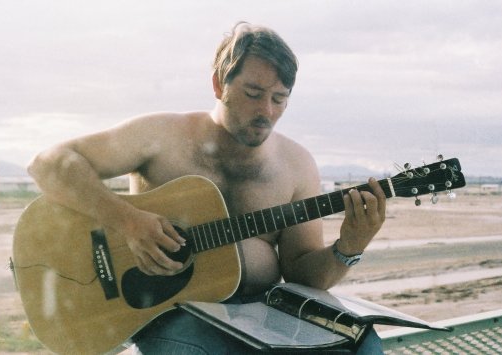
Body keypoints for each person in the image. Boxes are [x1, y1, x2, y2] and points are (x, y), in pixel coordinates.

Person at [28, 22, 386, 354]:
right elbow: (47, 163)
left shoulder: (297, 165)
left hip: (262, 313)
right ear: (218, 85)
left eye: (279, 99)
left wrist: (349, 247)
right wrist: (127, 220)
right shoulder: (160, 136)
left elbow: (302, 274)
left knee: (363, 343)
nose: (266, 111)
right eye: (253, 93)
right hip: (169, 311)